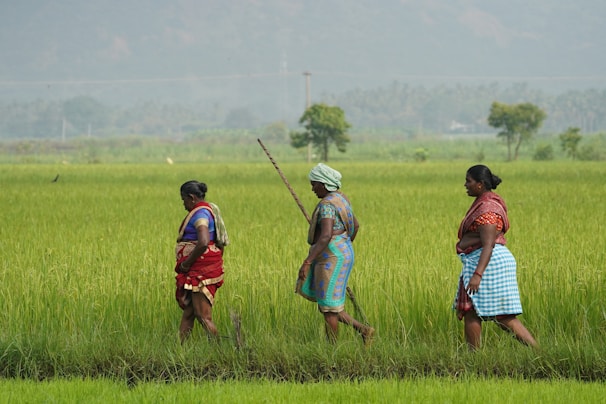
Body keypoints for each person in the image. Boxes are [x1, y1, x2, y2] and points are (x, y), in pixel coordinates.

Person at [453, 165, 537, 350]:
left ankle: (537, 352)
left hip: (488, 263)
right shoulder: (484, 203)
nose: (465, 185)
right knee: (476, 313)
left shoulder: (488, 209)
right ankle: (474, 358)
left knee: (498, 316)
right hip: (485, 260)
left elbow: (488, 243)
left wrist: (478, 274)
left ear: (480, 184)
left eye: (469, 181)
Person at [296, 163, 374, 345]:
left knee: (329, 309)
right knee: (330, 304)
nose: (312, 188)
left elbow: (325, 236)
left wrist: (307, 262)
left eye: (314, 184)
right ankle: (364, 330)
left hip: (330, 258)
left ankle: (332, 351)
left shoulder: (327, 206)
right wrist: (343, 244)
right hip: (344, 252)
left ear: (324, 184)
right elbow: (356, 226)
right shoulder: (341, 199)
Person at [174, 180, 229, 343]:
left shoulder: (200, 214)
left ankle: (220, 352)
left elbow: (203, 241)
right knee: (189, 313)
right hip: (198, 269)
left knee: (203, 316)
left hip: (200, 271)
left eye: (183, 199)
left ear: (191, 198)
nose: (183, 204)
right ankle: (180, 350)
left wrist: (186, 263)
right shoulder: (205, 211)